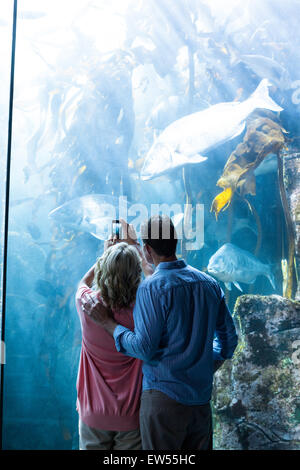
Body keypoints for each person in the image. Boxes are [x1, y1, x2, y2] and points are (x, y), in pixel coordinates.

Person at [83, 215, 238, 450]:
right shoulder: (209, 284)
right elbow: (228, 342)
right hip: (200, 399)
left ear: (146, 249)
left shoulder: (151, 288)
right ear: (176, 241)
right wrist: (208, 363)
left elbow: (144, 348)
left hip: (163, 399)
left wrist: (109, 324)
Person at [75, 240, 146, 450]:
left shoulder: (87, 304)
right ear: (136, 274)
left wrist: (104, 257)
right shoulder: (145, 310)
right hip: (131, 414)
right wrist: (140, 252)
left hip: (92, 411)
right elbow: (157, 283)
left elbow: (82, 284)